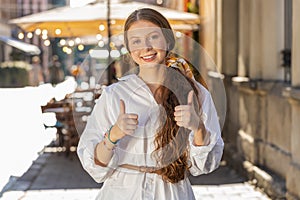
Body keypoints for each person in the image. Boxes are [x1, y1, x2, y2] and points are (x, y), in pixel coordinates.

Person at [77, 8, 224, 200]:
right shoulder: (114, 95)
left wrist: (198, 128)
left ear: (168, 40)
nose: (145, 47)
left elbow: (204, 165)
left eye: (153, 37)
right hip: (122, 193)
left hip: (172, 194)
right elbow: (96, 169)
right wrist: (113, 135)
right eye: (136, 41)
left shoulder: (196, 93)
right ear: (129, 49)